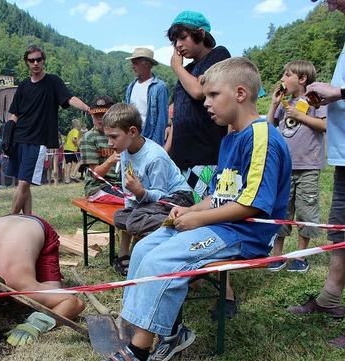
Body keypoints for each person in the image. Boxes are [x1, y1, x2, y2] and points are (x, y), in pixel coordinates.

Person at [106, 57, 292, 361]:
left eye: (213, 95)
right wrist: (190, 212)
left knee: (162, 259)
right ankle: (145, 326)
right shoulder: (230, 138)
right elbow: (219, 195)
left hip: (245, 233)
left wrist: (199, 219)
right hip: (219, 224)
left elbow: (252, 206)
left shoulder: (262, 137)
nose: (206, 103)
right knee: (143, 251)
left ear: (241, 94)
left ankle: (140, 348)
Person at [167, 10, 237, 320]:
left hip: (207, 156)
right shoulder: (190, 69)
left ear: (201, 34)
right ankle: (196, 272)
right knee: (187, 218)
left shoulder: (218, 57)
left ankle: (227, 292)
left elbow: (198, 91)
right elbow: (178, 116)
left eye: (182, 38)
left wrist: (175, 67)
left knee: (211, 220)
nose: (178, 45)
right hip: (183, 158)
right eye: (174, 41)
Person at [287, 0, 345, 349]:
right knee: (339, 230)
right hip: (343, 156)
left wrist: (338, 93)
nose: (326, 4)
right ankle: (330, 298)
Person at [0, 215, 85, 345]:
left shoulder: (21, 289)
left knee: (51, 297)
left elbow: (74, 303)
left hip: (38, 227)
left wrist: (36, 324)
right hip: (5, 220)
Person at [104, 103, 194, 276]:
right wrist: (135, 198)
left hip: (177, 198)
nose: (110, 143)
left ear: (132, 131)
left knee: (134, 220)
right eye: (108, 137)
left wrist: (140, 193)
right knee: (120, 216)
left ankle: (186, 226)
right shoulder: (124, 151)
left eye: (114, 137)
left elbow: (161, 194)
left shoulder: (154, 156)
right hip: (149, 203)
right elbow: (128, 196)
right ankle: (169, 229)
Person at [6, 45, 91, 214]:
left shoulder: (53, 81)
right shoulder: (23, 85)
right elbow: (14, 113)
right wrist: (7, 134)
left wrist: (89, 109)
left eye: (38, 59)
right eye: (31, 60)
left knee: (24, 182)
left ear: (43, 60)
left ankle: (11, 219)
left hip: (37, 140)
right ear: (27, 63)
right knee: (24, 181)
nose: (35, 63)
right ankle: (28, 219)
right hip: (19, 136)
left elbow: (70, 98)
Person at [265, 60, 326, 273]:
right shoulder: (284, 104)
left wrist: (300, 116)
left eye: (287, 75)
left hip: (308, 165)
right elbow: (270, 126)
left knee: (306, 210)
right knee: (282, 209)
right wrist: (274, 104)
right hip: (285, 167)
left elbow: (325, 125)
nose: (282, 79)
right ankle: (278, 255)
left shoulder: (315, 100)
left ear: (302, 79)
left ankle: (300, 255)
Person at [80, 95, 124, 205]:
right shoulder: (89, 137)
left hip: (120, 185)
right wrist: (110, 160)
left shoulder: (121, 134)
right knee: (130, 201)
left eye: (104, 114)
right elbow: (95, 174)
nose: (100, 118)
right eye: (96, 115)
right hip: (98, 188)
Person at [124, 48, 169, 146]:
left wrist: (155, 145)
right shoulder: (131, 87)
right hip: (132, 139)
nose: (132, 66)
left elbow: (162, 119)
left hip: (149, 139)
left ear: (147, 64)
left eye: (135, 62)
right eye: (132, 63)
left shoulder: (159, 87)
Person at [63, 119, 82, 184]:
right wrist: (78, 146)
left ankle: (67, 180)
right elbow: (73, 140)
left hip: (66, 148)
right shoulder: (76, 131)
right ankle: (73, 175)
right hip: (72, 149)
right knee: (79, 161)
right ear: (77, 124)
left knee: (69, 164)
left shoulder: (70, 131)